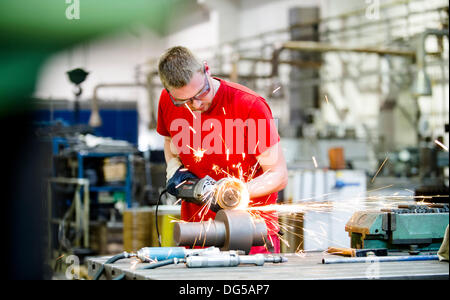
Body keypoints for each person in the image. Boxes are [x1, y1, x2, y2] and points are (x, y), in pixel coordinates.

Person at [156, 46, 288, 254]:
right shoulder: (167, 101)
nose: (196, 105)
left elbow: (278, 175)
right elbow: (170, 143)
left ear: (206, 69)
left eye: (202, 93)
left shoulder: (250, 106)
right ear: (169, 91)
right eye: (185, 101)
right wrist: (173, 169)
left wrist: (233, 193)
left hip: (250, 234)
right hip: (196, 234)